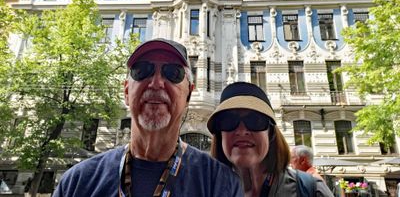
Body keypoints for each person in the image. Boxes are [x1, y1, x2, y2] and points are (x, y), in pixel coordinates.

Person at [54, 38, 243, 197]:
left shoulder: (221, 185)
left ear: (188, 96)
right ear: (127, 91)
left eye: (173, 73)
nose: (156, 83)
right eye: (142, 70)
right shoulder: (77, 183)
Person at [207, 81, 334, 197]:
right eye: (229, 121)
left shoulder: (311, 189)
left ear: (271, 133)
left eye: (255, 120)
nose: (242, 131)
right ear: (220, 135)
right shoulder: (204, 191)